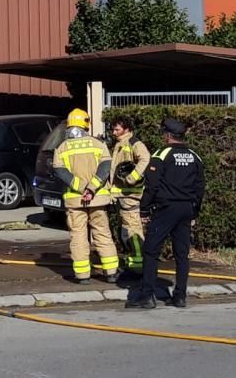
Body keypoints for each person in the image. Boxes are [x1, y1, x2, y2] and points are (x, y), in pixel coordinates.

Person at [126, 118, 205, 309]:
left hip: (167, 209)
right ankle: (180, 296)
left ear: (168, 136)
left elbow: (151, 186)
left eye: (164, 133)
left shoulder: (161, 155)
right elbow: (200, 186)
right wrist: (195, 211)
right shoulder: (195, 156)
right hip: (186, 208)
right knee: (182, 254)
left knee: (151, 250)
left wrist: (144, 208)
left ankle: (146, 296)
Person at [52, 108, 120, 284]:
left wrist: (81, 188)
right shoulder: (98, 145)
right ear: (86, 125)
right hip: (97, 198)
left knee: (78, 236)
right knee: (102, 233)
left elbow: (61, 172)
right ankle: (111, 272)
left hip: (75, 201)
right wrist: (91, 189)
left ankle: (82, 275)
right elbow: (105, 168)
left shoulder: (61, 148)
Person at [109, 116, 150, 273]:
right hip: (122, 196)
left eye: (117, 129)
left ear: (126, 129)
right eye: (113, 129)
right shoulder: (121, 143)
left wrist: (132, 178)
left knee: (133, 230)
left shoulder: (134, 143)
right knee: (125, 230)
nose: (114, 132)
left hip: (131, 196)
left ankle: (139, 265)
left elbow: (145, 159)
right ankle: (133, 262)